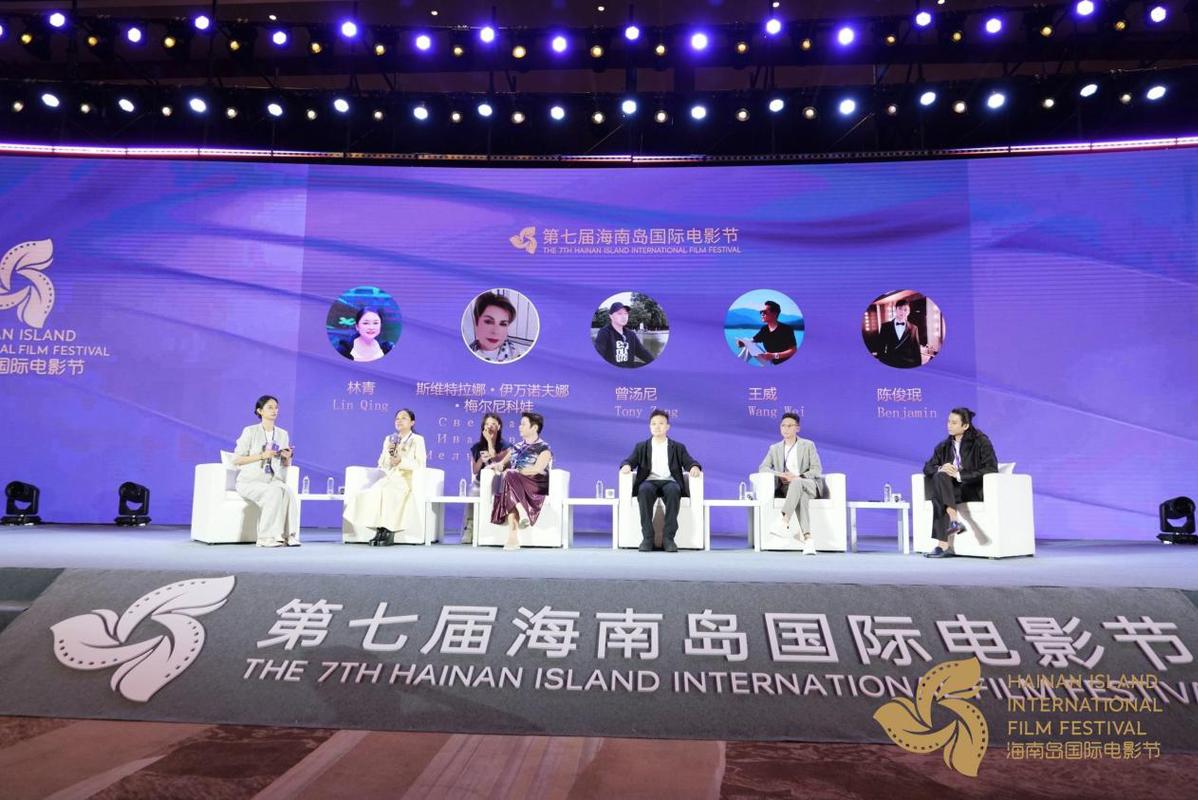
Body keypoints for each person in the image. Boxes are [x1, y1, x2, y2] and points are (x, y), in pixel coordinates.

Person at [620, 409, 702, 552]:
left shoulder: (677, 447)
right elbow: (630, 460)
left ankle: (668, 538)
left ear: (667, 427)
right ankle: (647, 538)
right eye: (653, 424)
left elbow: (689, 461)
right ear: (649, 427)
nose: (657, 427)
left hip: (669, 481)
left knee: (674, 490)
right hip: (649, 482)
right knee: (644, 490)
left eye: (661, 423)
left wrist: (694, 467)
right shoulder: (641, 447)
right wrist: (626, 465)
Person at [921, 407, 998, 558]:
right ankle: (953, 522)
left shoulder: (981, 442)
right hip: (951, 490)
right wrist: (941, 468)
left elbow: (991, 468)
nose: (949, 425)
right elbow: (927, 467)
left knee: (940, 492)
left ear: (965, 425)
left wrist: (959, 475)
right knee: (940, 476)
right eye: (948, 421)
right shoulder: (944, 446)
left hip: (972, 488)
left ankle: (943, 544)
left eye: (954, 423)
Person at [343, 408, 427, 546]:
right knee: (373, 492)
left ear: (412, 422)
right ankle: (379, 530)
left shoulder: (417, 440)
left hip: (406, 479)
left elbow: (420, 464)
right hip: (389, 477)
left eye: (404, 418)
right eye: (397, 418)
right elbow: (382, 463)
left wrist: (401, 461)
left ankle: (389, 531)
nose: (399, 421)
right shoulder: (390, 439)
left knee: (388, 492)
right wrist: (390, 455)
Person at [231, 395, 300, 547]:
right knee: (273, 493)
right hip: (249, 481)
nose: (274, 410)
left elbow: (284, 464)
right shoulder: (250, 431)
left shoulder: (282, 434)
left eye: (276, 407)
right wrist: (262, 455)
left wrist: (287, 457)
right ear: (260, 411)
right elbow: (236, 459)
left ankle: (289, 536)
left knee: (287, 492)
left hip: (272, 480)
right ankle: (265, 537)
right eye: (270, 407)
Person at [758, 412, 827, 555]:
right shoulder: (774, 448)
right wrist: (781, 475)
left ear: (797, 428)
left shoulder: (808, 445)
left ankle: (783, 521)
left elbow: (817, 469)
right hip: (788, 488)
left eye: (789, 426)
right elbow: (763, 468)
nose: (786, 429)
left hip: (809, 485)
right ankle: (808, 540)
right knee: (801, 497)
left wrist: (798, 476)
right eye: (783, 426)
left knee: (797, 482)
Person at [489, 412, 552, 550]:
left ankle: (513, 532)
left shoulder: (544, 448)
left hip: (534, 485)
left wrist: (516, 472)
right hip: (513, 483)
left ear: (534, 428)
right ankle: (513, 535)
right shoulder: (516, 447)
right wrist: (497, 466)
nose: (519, 427)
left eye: (523, 424)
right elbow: (502, 464)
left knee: (509, 477)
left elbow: (537, 469)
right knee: (508, 482)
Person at [462, 413, 509, 544]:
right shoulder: (477, 447)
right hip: (480, 482)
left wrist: (489, 441)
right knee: (473, 491)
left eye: (493, 424)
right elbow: (475, 470)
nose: (490, 427)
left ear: (499, 427)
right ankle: (469, 527)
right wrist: (481, 460)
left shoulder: (505, 445)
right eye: (487, 424)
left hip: (499, 481)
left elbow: (498, 461)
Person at [468, 291, 528, 363]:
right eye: (488, 322)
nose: (495, 331)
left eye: (503, 324)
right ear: (476, 324)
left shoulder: (521, 355)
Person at [594, 301, 656, 368]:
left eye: (626, 314)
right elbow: (598, 354)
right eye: (619, 313)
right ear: (611, 316)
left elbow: (642, 352)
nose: (624, 317)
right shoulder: (604, 333)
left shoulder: (631, 334)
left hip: (629, 367)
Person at [876, 299, 922, 369]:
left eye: (905, 310)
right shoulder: (885, 326)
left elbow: (916, 350)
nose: (902, 312)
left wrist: (918, 367)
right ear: (895, 310)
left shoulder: (914, 328)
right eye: (900, 309)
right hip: (891, 363)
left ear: (908, 312)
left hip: (908, 364)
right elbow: (880, 348)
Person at [752, 301, 798, 365]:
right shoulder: (764, 329)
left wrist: (774, 355)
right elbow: (753, 340)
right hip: (770, 362)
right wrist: (742, 342)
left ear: (774, 314)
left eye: (764, 312)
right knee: (747, 346)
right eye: (761, 312)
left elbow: (793, 350)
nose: (762, 314)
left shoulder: (786, 329)